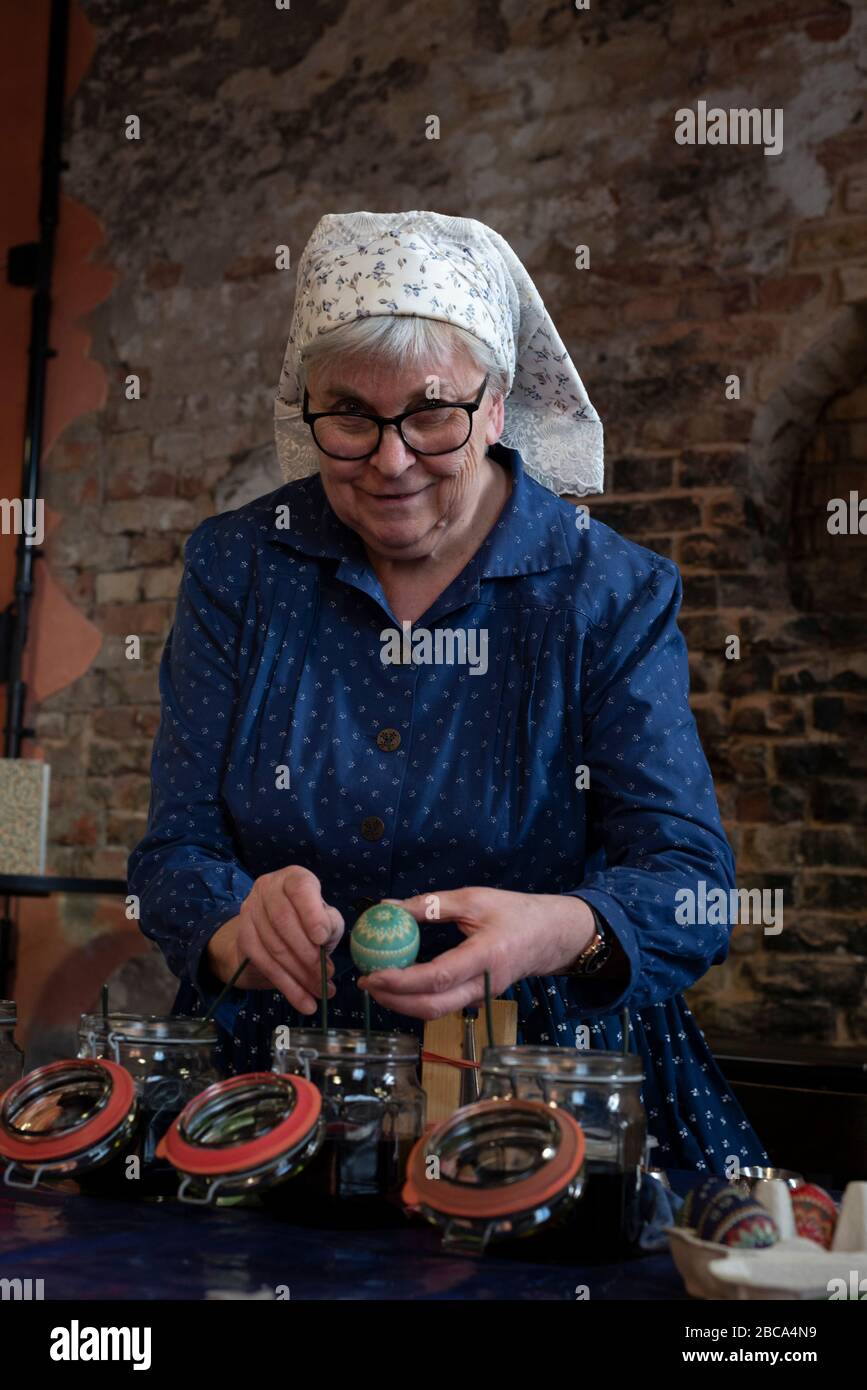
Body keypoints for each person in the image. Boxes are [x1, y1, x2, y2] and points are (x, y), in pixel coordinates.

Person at [128, 210, 769, 1174]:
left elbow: (692, 888)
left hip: (543, 1090)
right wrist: (230, 922)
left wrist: (560, 928)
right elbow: (174, 850)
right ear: (305, 408)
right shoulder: (240, 568)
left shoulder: (605, 590)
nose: (390, 461)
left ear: (499, 404)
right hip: (275, 1088)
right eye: (349, 415)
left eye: (433, 414)